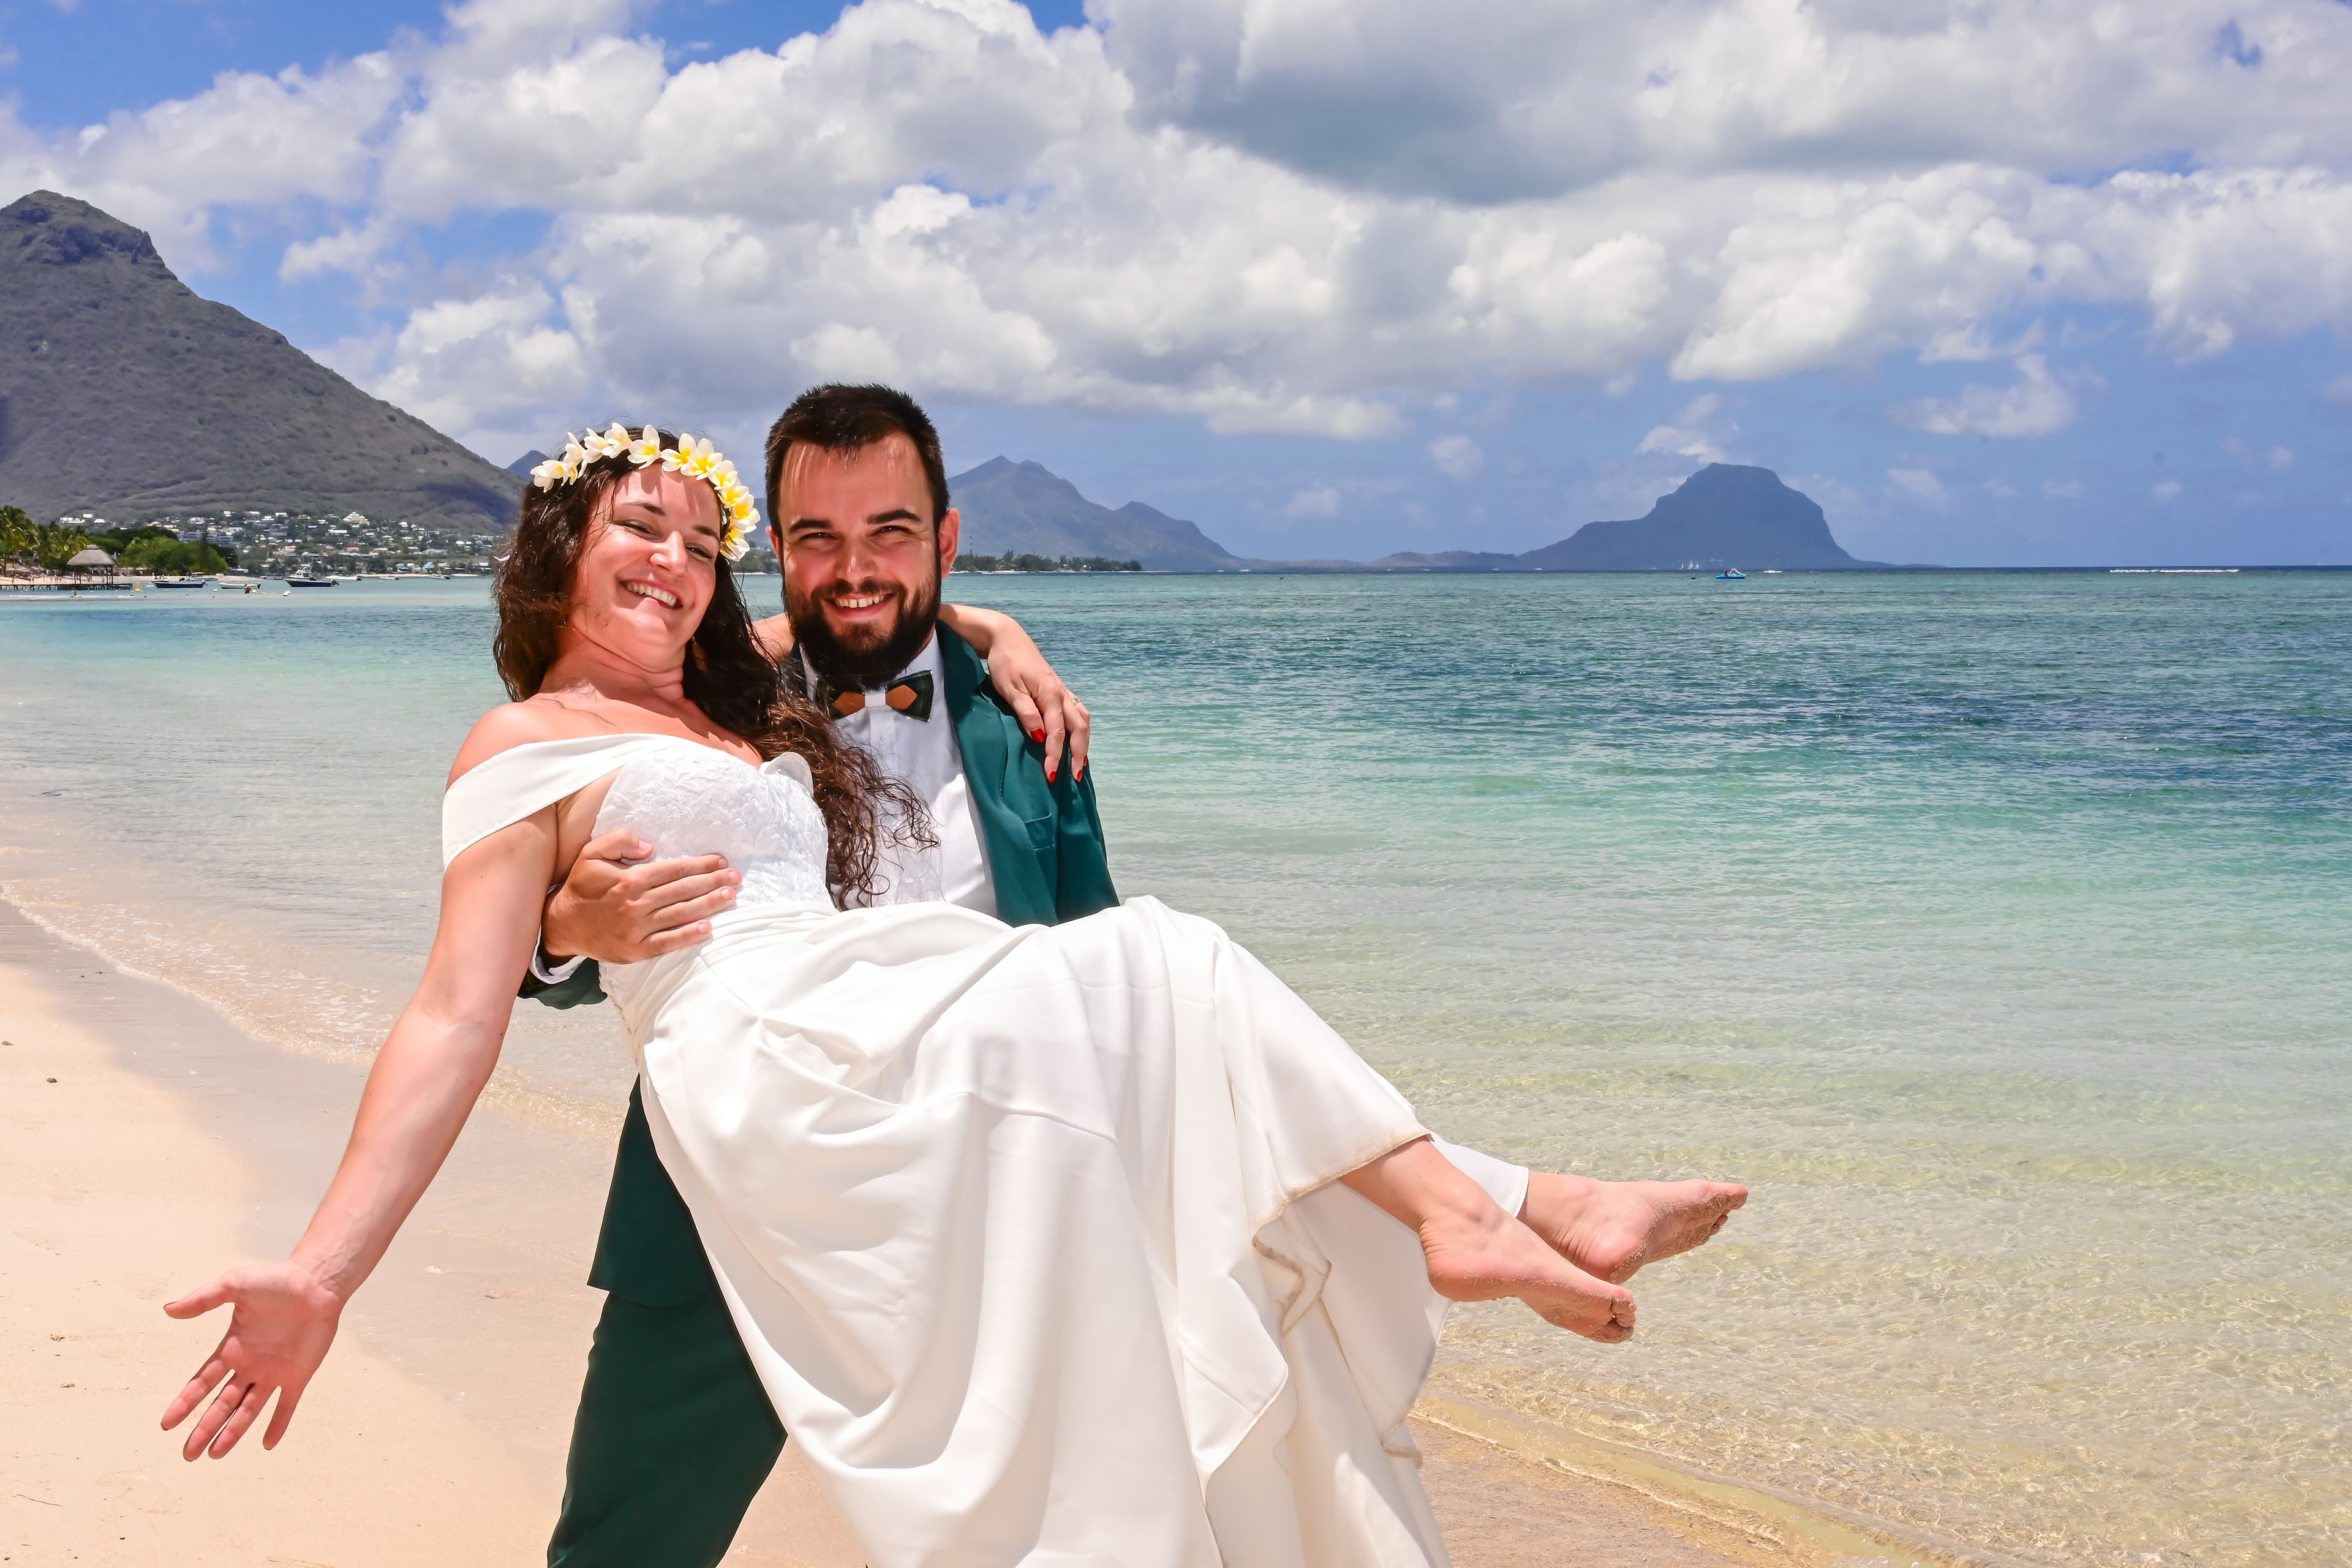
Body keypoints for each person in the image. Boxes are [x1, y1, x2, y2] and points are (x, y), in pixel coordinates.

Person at [162, 414, 1747, 1568]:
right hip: (763, 1112)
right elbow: (463, 1004)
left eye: (702, 545)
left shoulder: (808, 700)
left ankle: (1491, 1208)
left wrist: (994, 624)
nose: (679, 564)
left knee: (1157, 1041)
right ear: (563, 545)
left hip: (963, 1089)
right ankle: (1501, 1204)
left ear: (938, 544)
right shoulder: (544, 736)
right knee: (632, 1540)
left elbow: (913, 685)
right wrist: (553, 945)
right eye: (649, 530)